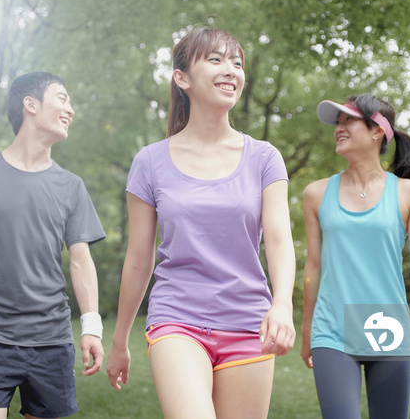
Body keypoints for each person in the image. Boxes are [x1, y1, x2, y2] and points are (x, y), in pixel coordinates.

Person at [105, 27, 297, 418]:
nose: (231, 70)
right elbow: (140, 259)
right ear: (182, 78)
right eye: (216, 60)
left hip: (248, 323)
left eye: (237, 63)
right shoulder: (150, 162)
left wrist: (282, 306)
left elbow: (278, 241)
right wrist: (121, 339)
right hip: (178, 318)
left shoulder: (264, 158)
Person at [0, 72, 106, 419]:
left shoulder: (71, 186)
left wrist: (92, 329)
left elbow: (80, 261)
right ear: (30, 104)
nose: (70, 109)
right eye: (62, 98)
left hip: (52, 343)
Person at [300, 94, 410, 418]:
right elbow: (313, 265)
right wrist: (308, 330)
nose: (339, 128)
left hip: (390, 331)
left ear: (377, 130)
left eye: (348, 120)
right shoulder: (316, 194)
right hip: (332, 332)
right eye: (337, 122)